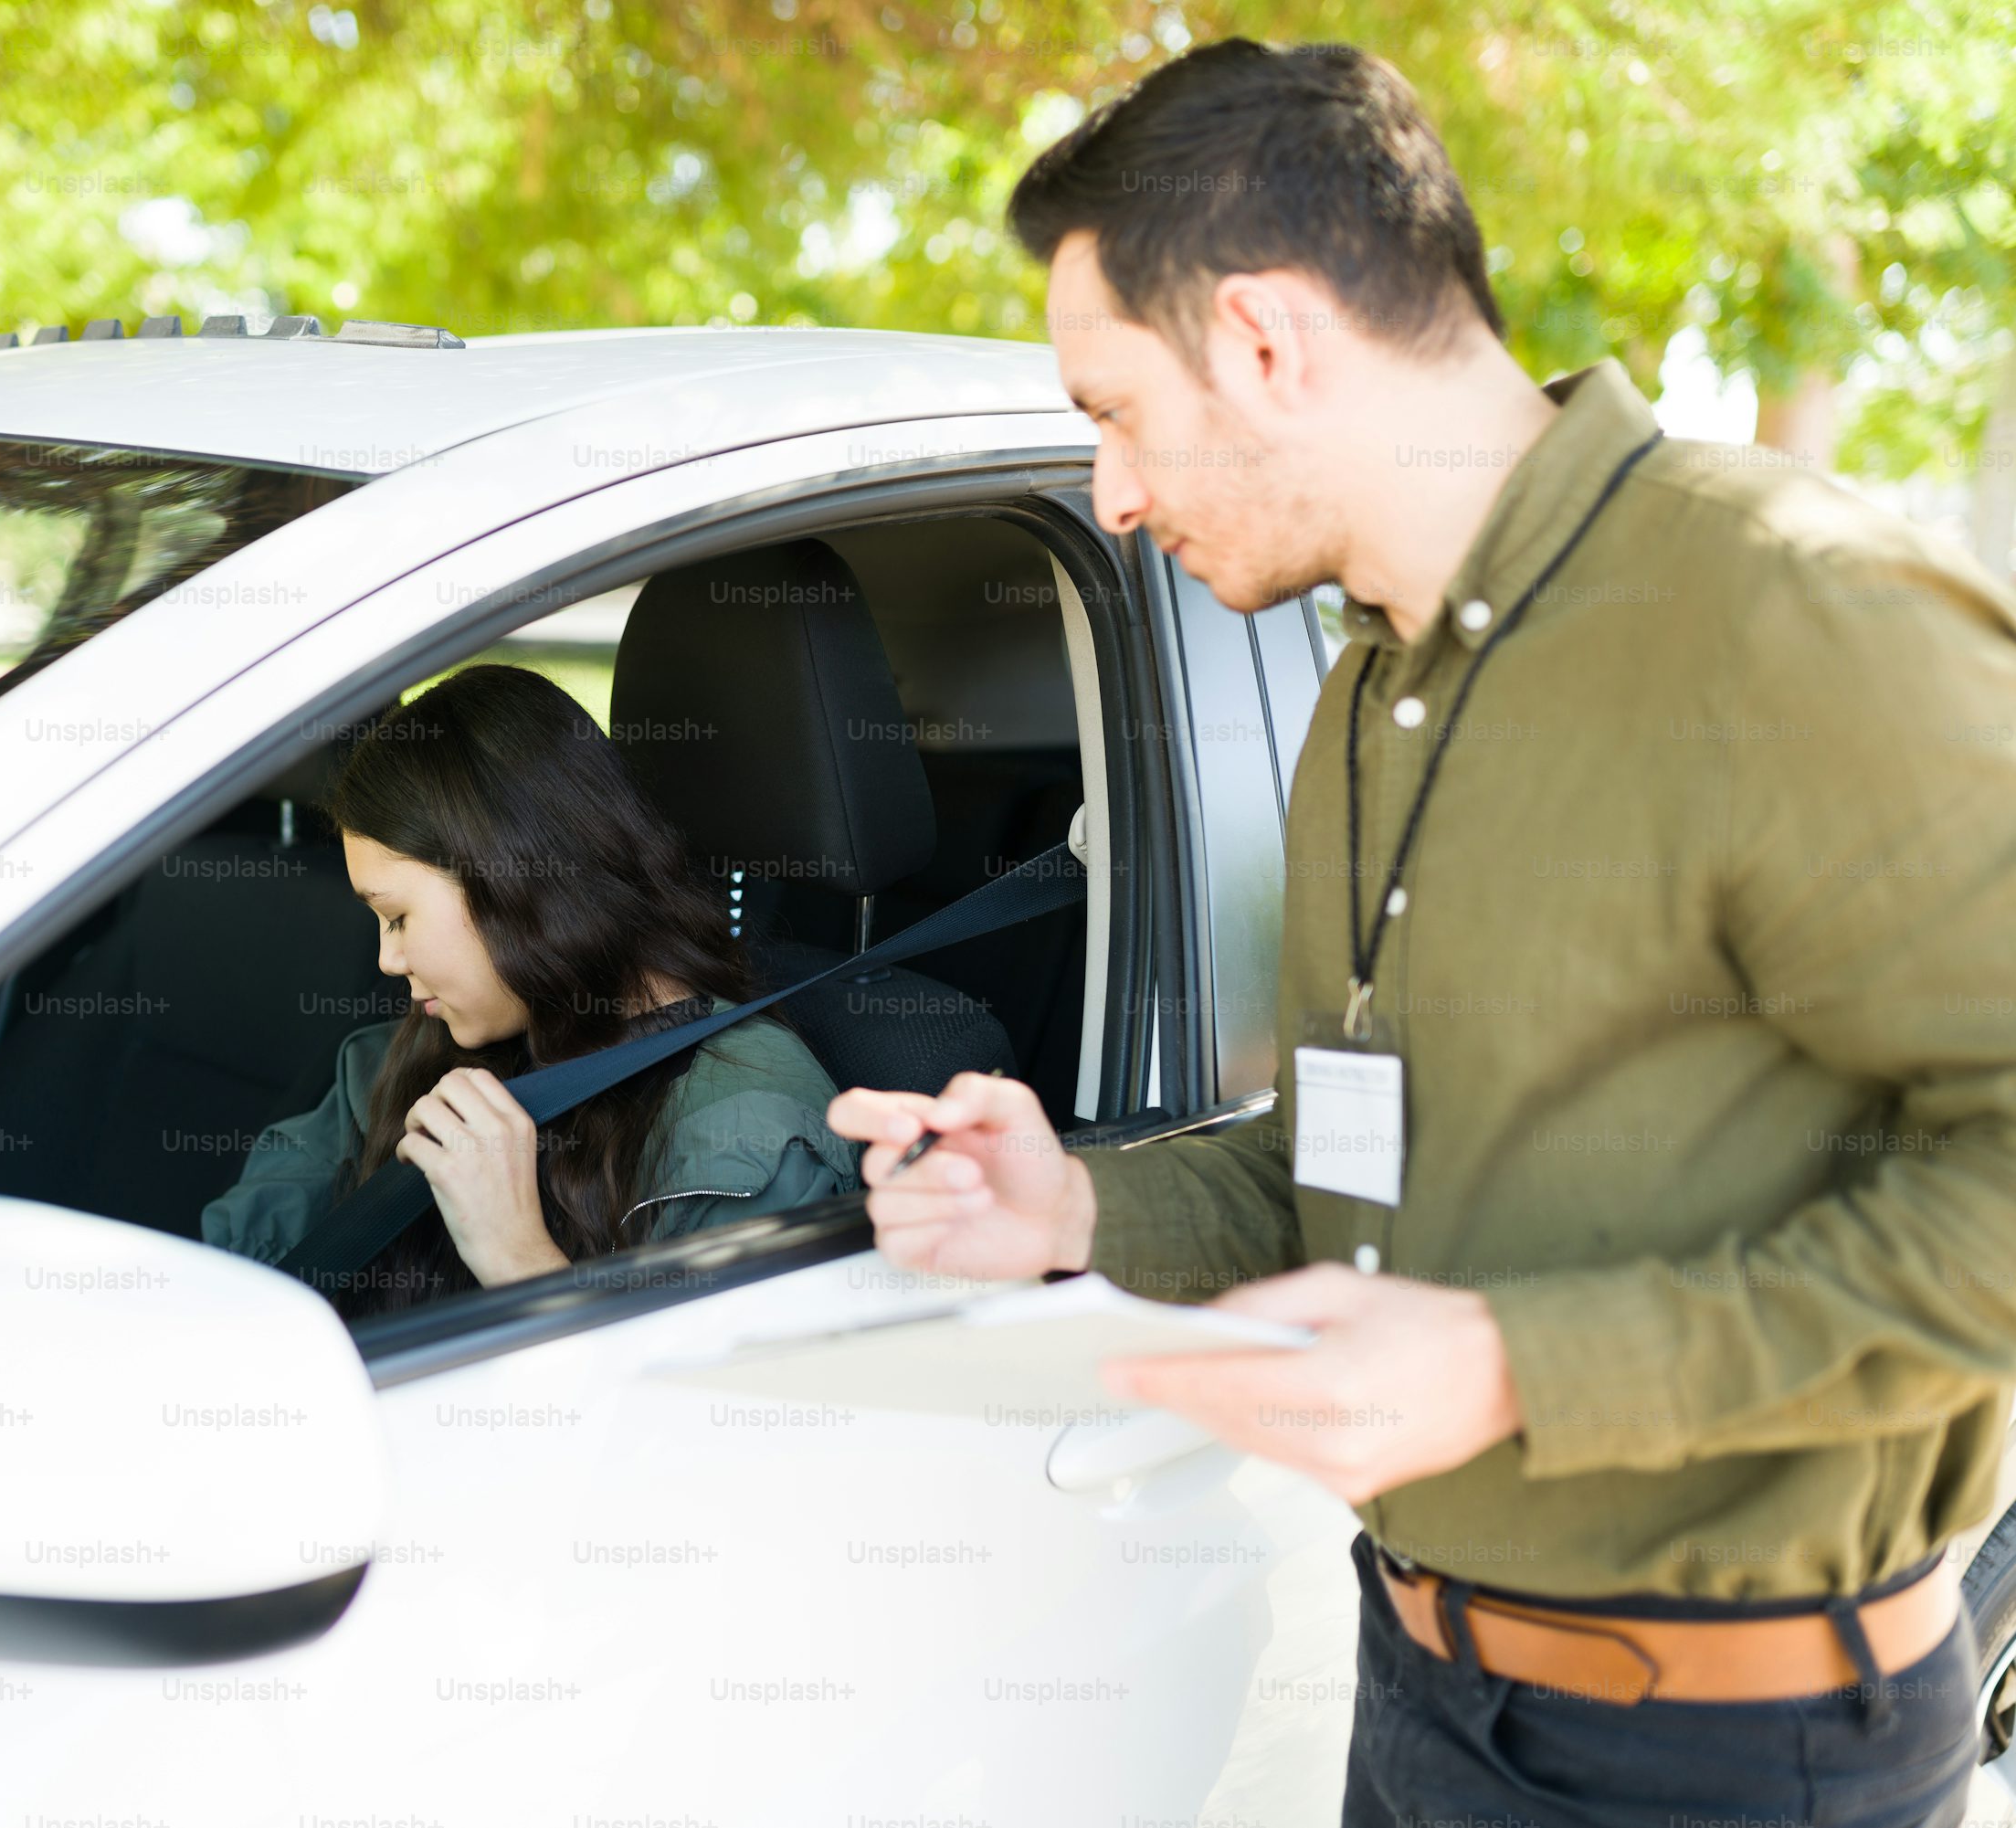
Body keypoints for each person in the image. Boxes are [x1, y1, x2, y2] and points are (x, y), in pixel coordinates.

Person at [828, 38, 2016, 1824]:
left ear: (1264, 339)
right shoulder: (1371, 695)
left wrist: (1524, 1364)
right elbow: (1353, 1176)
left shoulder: (1792, 617)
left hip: (1730, 1755)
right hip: (1425, 1699)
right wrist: (1075, 1206)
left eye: (1114, 408)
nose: (1114, 495)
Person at [204, 663, 860, 1314]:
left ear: (514, 883)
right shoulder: (392, 1065)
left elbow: (710, 1409)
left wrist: (517, 1255)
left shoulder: (751, 1139)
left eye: (398, 916)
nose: (387, 958)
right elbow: (220, 1288)